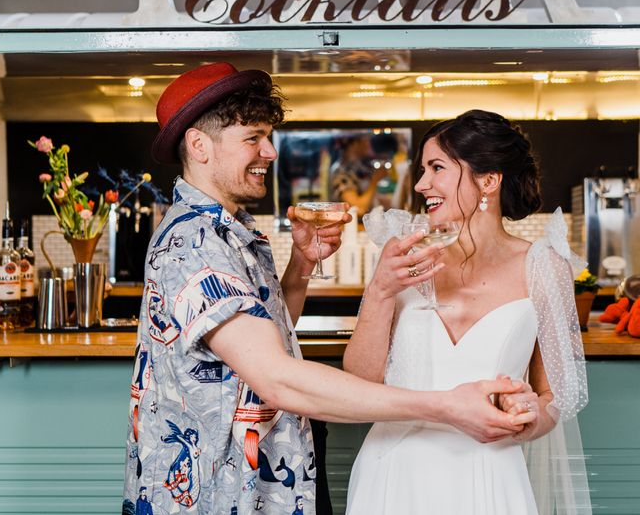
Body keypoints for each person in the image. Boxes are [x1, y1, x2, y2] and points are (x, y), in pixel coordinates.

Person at [122, 66, 533, 515]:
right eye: (253, 138)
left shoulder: (233, 229)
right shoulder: (194, 242)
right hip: (212, 489)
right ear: (199, 146)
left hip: (256, 481)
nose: (270, 151)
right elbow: (276, 379)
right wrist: (446, 407)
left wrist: (301, 266)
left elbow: (265, 335)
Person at [344, 109, 591, 515]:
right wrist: (380, 290)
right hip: (392, 474)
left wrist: (530, 416)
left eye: (436, 168)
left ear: (488, 181)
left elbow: (554, 397)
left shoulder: (545, 268)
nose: (421, 184)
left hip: (489, 472)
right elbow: (359, 382)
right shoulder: (404, 257)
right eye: (422, 169)